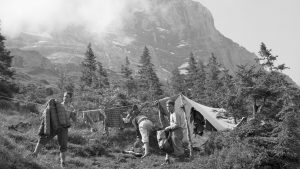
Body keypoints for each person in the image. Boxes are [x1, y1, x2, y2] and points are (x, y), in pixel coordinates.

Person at [31, 92, 76, 168]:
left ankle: (63, 162)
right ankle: (34, 154)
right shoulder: (57, 105)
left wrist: (74, 114)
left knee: (63, 145)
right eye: (64, 96)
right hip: (54, 126)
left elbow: (74, 120)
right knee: (43, 138)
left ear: (70, 98)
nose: (65, 98)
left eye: (67, 97)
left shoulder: (71, 108)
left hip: (63, 129)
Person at [162, 99, 185, 165]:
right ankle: (179, 160)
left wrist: (168, 127)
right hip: (174, 131)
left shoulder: (175, 114)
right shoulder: (171, 114)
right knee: (175, 145)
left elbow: (177, 124)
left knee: (178, 146)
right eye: (167, 106)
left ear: (173, 106)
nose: (168, 108)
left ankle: (182, 160)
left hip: (177, 131)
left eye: (169, 106)